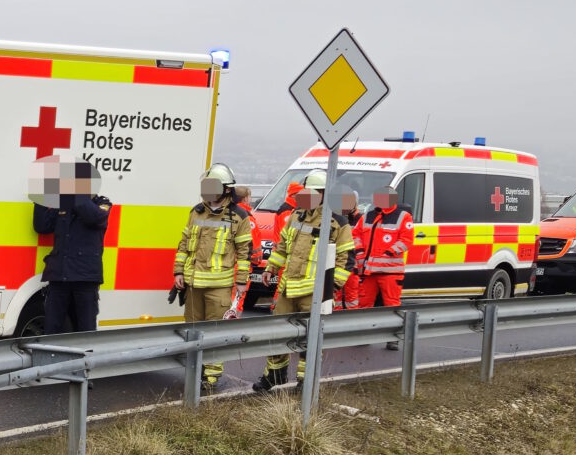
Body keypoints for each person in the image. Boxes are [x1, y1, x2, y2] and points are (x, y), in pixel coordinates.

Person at [252, 173, 352, 392]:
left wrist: (331, 288)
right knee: (278, 333)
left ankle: (305, 381)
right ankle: (275, 375)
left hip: (314, 292)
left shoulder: (337, 222)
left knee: (310, 338)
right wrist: (271, 268)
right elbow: (282, 247)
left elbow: (346, 259)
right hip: (289, 288)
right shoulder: (296, 216)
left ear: (324, 194)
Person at [173, 163, 254, 391]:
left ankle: (210, 379)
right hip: (193, 283)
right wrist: (178, 271)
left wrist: (241, 282)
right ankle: (194, 372)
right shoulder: (196, 211)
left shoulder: (239, 216)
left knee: (215, 332)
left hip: (218, 285)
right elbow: (184, 244)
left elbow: (244, 252)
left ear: (226, 189)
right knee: (192, 330)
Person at [33, 159, 112, 335]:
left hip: (85, 278)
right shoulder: (64, 204)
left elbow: (93, 217)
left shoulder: (102, 203)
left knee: (85, 331)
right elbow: (42, 226)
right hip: (60, 277)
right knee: (52, 328)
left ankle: (85, 362)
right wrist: (39, 197)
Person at [347, 185, 416, 333]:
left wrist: (388, 254)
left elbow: (407, 240)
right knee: (364, 305)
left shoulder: (403, 216)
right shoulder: (368, 216)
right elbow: (355, 234)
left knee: (392, 305)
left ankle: (394, 336)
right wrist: (359, 251)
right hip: (368, 271)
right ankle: (362, 334)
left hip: (390, 272)